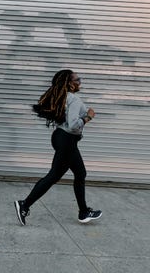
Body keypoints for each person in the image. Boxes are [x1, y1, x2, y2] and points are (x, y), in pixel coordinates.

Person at [14, 69, 102, 226]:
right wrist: (88, 116)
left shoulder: (64, 97)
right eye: (77, 79)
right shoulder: (73, 99)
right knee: (55, 176)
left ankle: (83, 212)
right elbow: (74, 125)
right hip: (67, 140)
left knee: (78, 173)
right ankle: (24, 205)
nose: (80, 82)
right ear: (69, 83)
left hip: (62, 138)